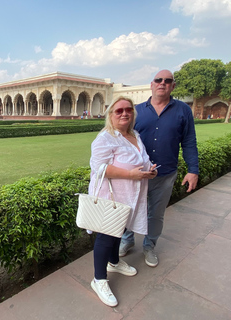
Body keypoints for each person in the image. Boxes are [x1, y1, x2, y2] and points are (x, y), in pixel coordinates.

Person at [119, 70, 199, 267]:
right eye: (159, 80)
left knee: (156, 213)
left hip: (165, 174)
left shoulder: (182, 111)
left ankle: (149, 246)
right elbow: (122, 139)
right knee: (129, 209)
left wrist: (193, 170)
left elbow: (189, 141)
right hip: (137, 173)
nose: (163, 83)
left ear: (172, 86)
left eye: (168, 80)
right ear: (152, 84)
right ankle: (126, 240)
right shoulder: (136, 111)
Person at [89, 96, 157, 307]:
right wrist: (131, 175)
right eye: (119, 111)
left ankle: (114, 262)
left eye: (128, 110)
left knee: (119, 230)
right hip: (110, 196)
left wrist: (149, 171)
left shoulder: (134, 135)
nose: (124, 113)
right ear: (111, 114)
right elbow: (98, 168)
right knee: (106, 235)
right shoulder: (106, 137)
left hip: (129, 195)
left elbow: (142, 160)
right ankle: (99, 280)